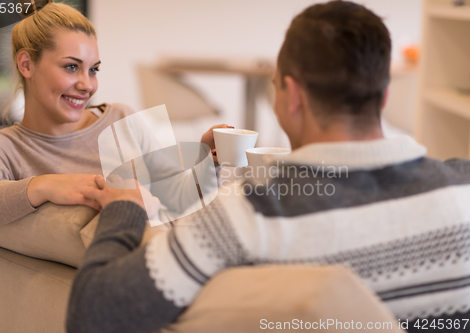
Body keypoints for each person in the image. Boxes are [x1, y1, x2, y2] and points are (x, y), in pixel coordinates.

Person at [67, 1, 470, 333]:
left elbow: (94, 315)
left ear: (291, 95)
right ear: (383, 97)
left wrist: (126, 210)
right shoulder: (462, 190)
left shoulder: (251, 211)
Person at [0, 0, 226, 239]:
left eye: (93, 70)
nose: (87, 85)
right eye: (72, 67)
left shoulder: (121, 117)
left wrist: (204, 162)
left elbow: (176, 201)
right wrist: (41, 186)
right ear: (26, 65)